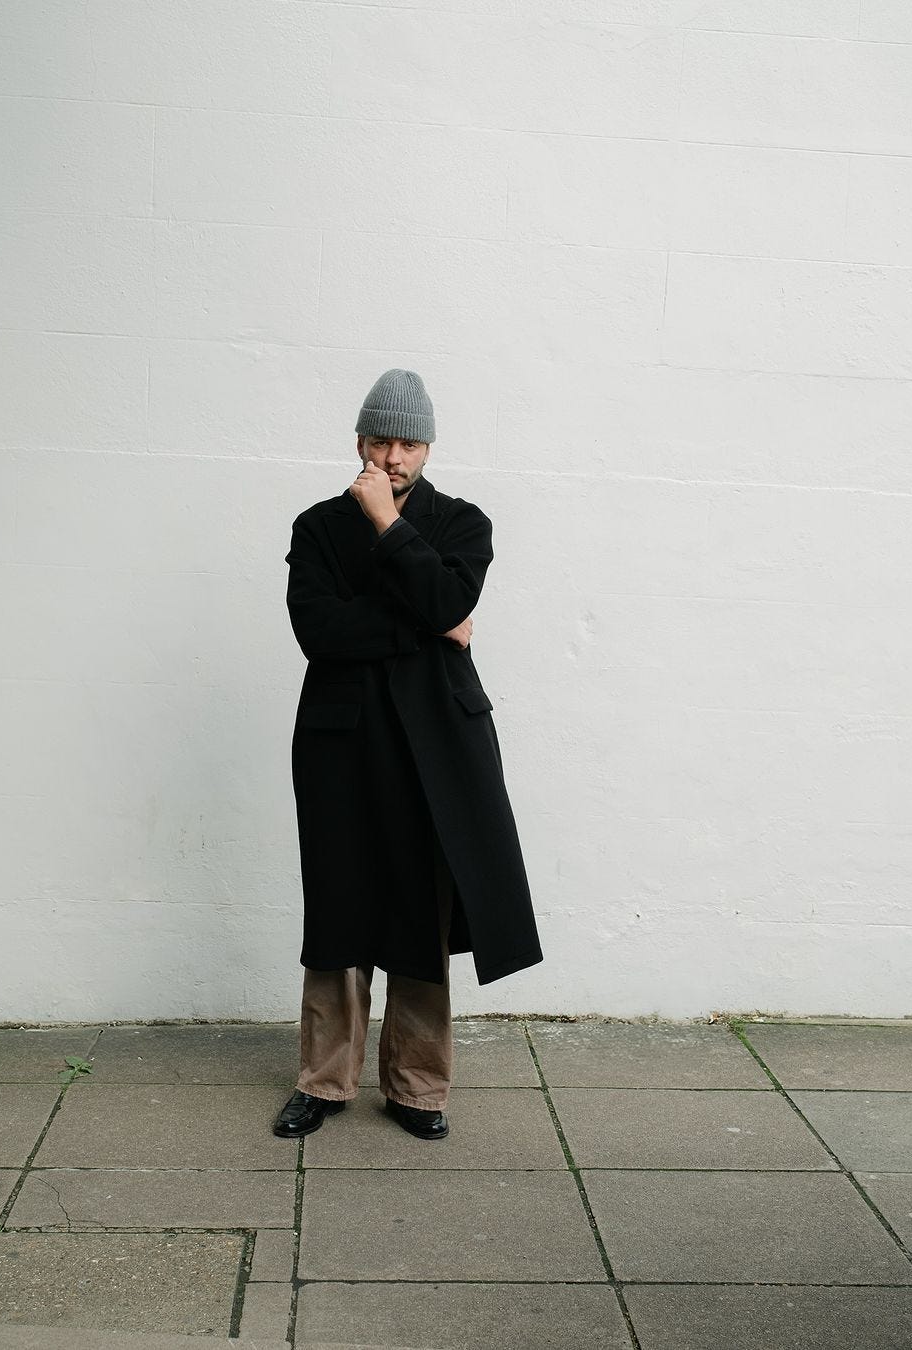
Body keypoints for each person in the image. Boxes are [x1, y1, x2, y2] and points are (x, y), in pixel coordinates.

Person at [274, 368, 542, 1142]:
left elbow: (447, 603)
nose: (394, 455)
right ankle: (323, 1084)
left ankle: (418, 1090)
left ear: (428, 446)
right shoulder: (317, 528)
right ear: (359, 439)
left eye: (409, 441)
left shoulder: (462, 523)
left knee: (421, 919)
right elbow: (321, 634)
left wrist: (392, 527)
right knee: (338, 911)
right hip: (341, 745)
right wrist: (430, 622)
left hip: (437, 747)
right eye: (382, 439)